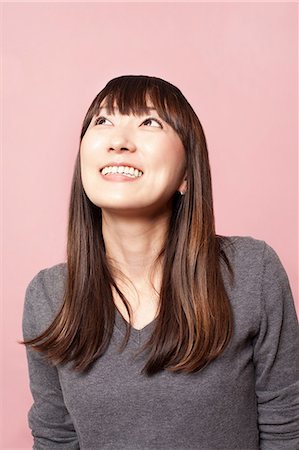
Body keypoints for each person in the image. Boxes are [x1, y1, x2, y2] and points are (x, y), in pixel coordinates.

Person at [22, 75, 299, 450]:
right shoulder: (48, 295)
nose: (118, 141)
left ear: (187, 173)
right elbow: (56, 438)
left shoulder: (252, 271)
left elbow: (287, 427)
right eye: (102, 121)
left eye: (149, 122)